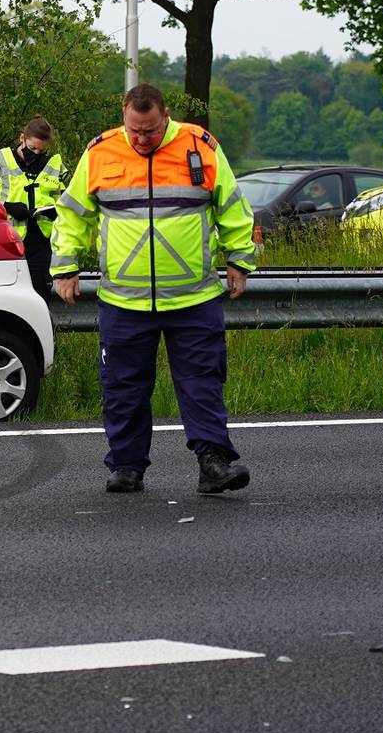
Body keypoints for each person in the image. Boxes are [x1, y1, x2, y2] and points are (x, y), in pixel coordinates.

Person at [50, 84, 257, 495]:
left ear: (166, 116)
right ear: (124, 116)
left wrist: (239, 260)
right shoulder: (100, 152)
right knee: (122, 387)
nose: (142, 140)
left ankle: (213, 464)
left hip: (193, 298)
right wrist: (65, 267)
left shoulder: (201, 147)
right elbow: (73, 215)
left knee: (202, 383)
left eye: (150, 130)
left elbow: (231, 205)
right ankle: (127, 467)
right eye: (134, 131)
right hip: (124, 300)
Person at [0, 117, 69, 301]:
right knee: (5, 298)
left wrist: (56, 210)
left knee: (40, 297)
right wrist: (6, 207)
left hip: (41, 242)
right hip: (6, 241)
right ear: (22, 139)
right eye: (32, 148)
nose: (36, 153)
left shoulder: (54, 165)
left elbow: (69, 200)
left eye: (42, 151)